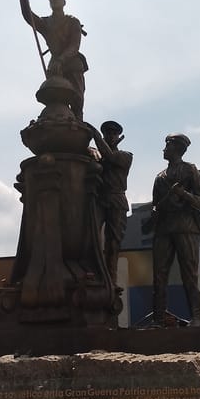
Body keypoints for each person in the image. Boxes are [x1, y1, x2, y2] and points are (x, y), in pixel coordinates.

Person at [145, 134, 200, 327]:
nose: (164, 149)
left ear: (177, 148)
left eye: (167, 145)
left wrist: (183, 194)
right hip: (163, 229)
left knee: (189, 274)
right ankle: (158, 318)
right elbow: (155, 205)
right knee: (159, 275)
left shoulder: (190, 170)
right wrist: (156, 211)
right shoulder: (159, 177)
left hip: (185, 227)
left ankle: (196, 318)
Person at [18, 0, 88, 119]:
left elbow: (74, 46)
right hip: (56, 69)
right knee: (54, 100)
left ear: (64, 1)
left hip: (72, 65)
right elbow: (28, 16)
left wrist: (61, 60)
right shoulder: (46, 24)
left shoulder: (73, 22)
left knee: (77, 102)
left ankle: (78, 127)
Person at [88, 121, 133, 284]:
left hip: (117, 200)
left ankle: (111, 280)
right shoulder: (96, 154)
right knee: (91, 236)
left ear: (118, 136)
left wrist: (96, 137)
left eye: (113, 134)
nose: (111, 136)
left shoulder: (126, 156)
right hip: (99, 201)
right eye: (107, 133)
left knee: (113, 243)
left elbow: (111, 156)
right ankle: (93, 274)